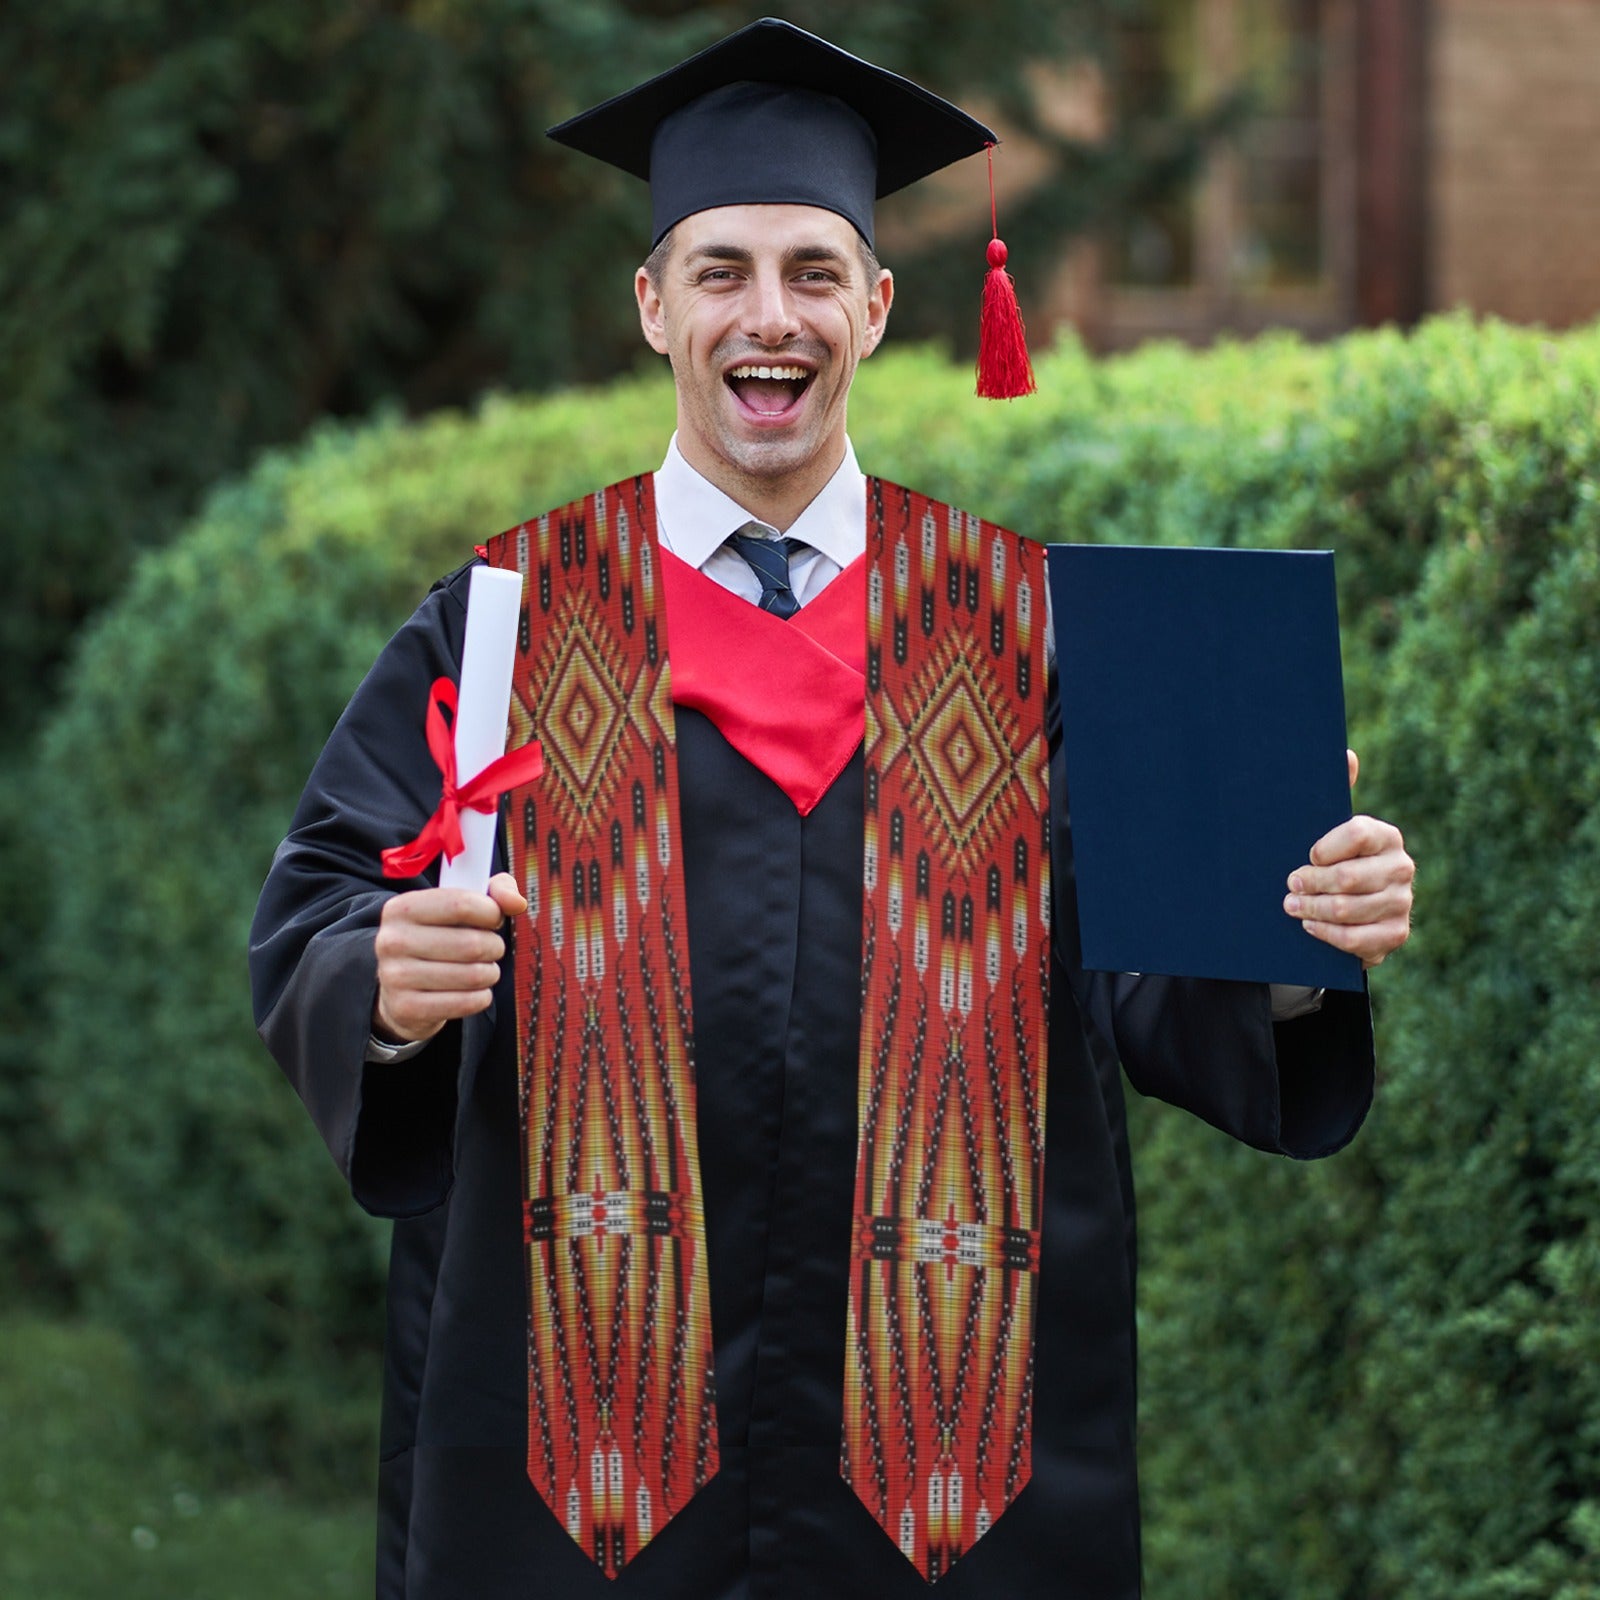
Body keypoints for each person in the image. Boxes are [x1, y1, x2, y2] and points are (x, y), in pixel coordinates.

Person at [249, 19, 1415, 1600]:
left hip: (957, 1461)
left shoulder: (1029, 629)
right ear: (654, 305)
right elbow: (323, 904)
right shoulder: (511, 622)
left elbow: (1151, 979)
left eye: (812, 271)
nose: (768, 316)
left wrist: (1292, 935)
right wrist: (379, 984)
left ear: (876, 305)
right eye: (721, 270)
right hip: (580, 1465)